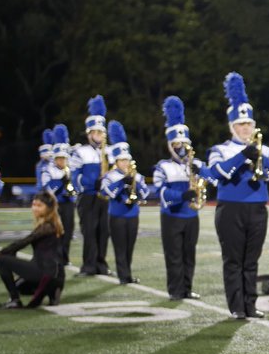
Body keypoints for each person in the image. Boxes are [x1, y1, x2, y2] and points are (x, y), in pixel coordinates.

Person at [204, 72, 269, 319]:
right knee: (233, 260)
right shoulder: (220, 150)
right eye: (240, 125)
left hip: (258, 208)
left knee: (252, 259)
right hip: (230, 209)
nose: (245, 128)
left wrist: (260, 154)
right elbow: (219, 173)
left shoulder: (264, 149)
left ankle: (250, 304)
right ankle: (237, 306)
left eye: (249, 124)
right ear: (232, 127)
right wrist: (243, 156)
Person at [153, 96, 204, 301]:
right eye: (176, 143)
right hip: (172, 216)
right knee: (174, 256)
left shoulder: (195, 164)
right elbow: (160, 192)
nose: (181, 146)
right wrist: (182, 195)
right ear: (170, 144)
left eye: (184, 143)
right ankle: (175, 290)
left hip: (191, 215)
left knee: (188, 255)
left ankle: (187, 288)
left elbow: (208, 182)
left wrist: (202, 174)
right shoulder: (162, 166)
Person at [0, 191, 65, 309]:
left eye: (39, 206)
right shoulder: (54, 225)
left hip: (45, 272)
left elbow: (22, 242)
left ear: (49, 208)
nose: (34, 208)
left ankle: (14, 300)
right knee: (20, 287)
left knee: (1, 260)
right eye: (34, 205)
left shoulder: (47, 226)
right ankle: (52, 291)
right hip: (56, 274)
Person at [99, 120, 148, 285]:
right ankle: (123, 276)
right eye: (121, 160)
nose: (125, 163)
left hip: (132, 214)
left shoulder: (136, 174)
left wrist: (134, 182)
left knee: (129, 247)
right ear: (116, 161)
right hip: (117, 215)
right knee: (120, 248)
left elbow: (145, 193)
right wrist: (122, 182)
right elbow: (106, 191)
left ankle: (128, 273)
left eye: (127, 160)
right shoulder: (110, 176)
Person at [70, 95, 112, 276]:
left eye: (101, 132)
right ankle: (88, 266)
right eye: (96, 132)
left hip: (105, 197)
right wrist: (91, 183)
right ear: (89, 134)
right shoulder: (80, 152)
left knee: (104, 231)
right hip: (87, 197)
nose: (99, 136)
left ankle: (101, 264)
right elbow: (74, 177)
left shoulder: (110, 151)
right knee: (89, 231)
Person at [42, 124, 76, 265]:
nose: (62, 161)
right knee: (55, 232)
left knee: (67, 232)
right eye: (59, 158)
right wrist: (60, 182)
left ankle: (65, 257)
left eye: (64, 158)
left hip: (69, 203)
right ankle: (54, 257)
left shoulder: (71, 169)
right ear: (55, 158)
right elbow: (47, 189)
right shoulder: (47, 169)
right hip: (54, 204)